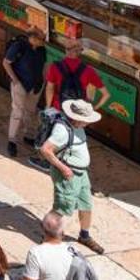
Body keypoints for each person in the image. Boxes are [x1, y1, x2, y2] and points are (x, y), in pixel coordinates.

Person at [39, 99, 103, 250]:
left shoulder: (77, 126)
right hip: (68, 174)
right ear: (75, 118)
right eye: (85, 120)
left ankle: (85, 235)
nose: (87, 123)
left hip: (81, 173)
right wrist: (63, 168)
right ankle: (48, 236)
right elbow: (46, 150)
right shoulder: (62, 130)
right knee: (62, 207)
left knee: (86, 204)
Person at [3, 27, 49, 158]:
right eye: (42, 39)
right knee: (17, 111)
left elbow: (44, 66)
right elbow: (6, 63)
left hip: (36, 86)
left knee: (30, 111)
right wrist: (15, 80)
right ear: (33, 38)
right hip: (21, 84)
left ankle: (28, 135)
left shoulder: (42, 50)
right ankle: (12, 140)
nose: (44, 42)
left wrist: (43, 82)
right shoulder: (19, 46)